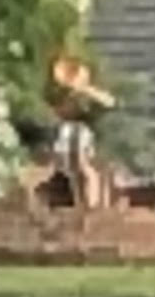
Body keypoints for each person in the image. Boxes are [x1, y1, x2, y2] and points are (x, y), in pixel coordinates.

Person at [45, 46, 114, 209]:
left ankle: (92, 203)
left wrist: (86, 90)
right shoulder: (68, 96)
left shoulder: (89, 93)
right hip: (69, 130)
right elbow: (60, 112)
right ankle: (79, 203)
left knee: (84, 166)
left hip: (83, 131)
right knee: (71, 169)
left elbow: (109, 102)